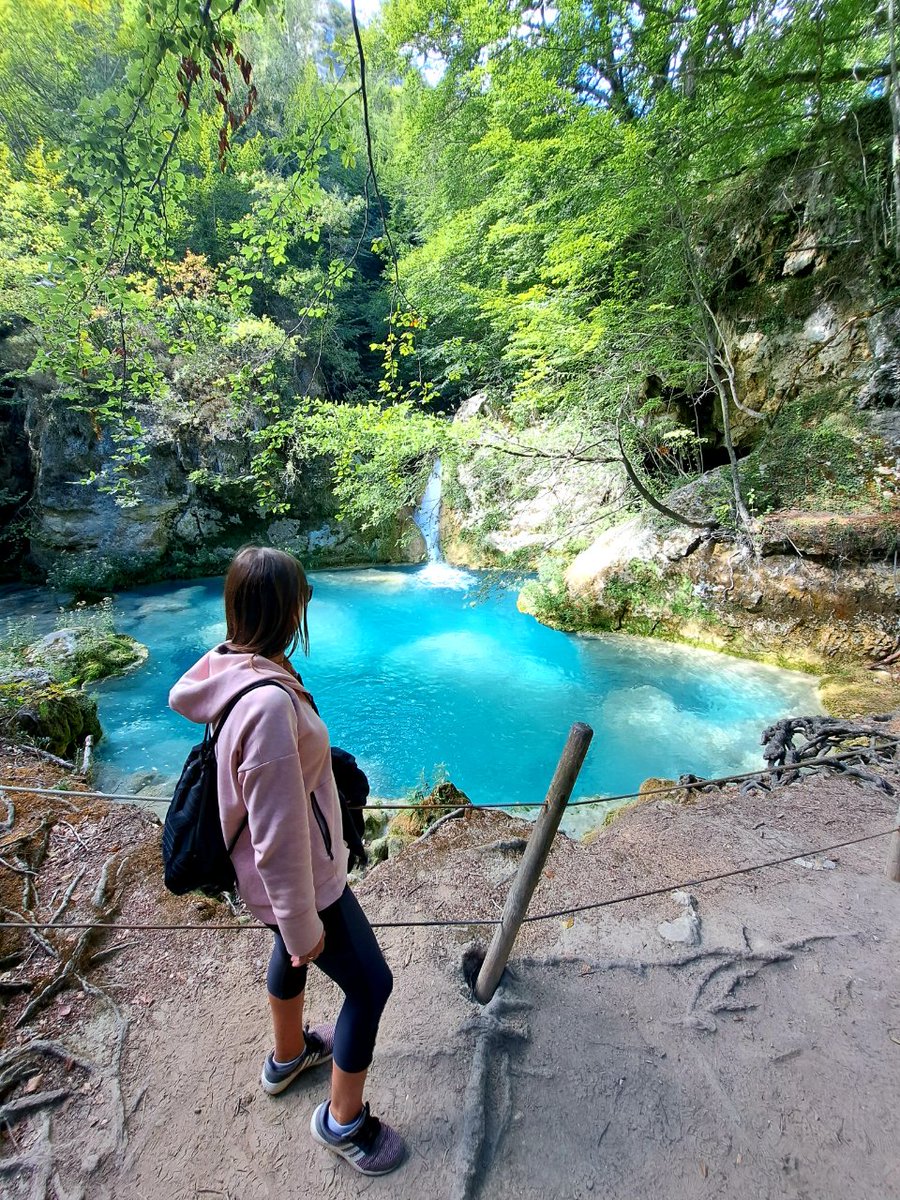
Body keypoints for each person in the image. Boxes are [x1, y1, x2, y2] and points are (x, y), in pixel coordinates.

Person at [169, 546, 405, 1176]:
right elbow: (276, 836)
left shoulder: (236, 667)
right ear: (284, 607)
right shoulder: (268, 704)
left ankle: (287, 1056)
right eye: (301, 595)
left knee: (291, 950)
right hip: (297, 879)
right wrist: (303, 922)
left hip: (268, 879)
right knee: (370, 984)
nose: (307, 604)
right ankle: (344, 1123)